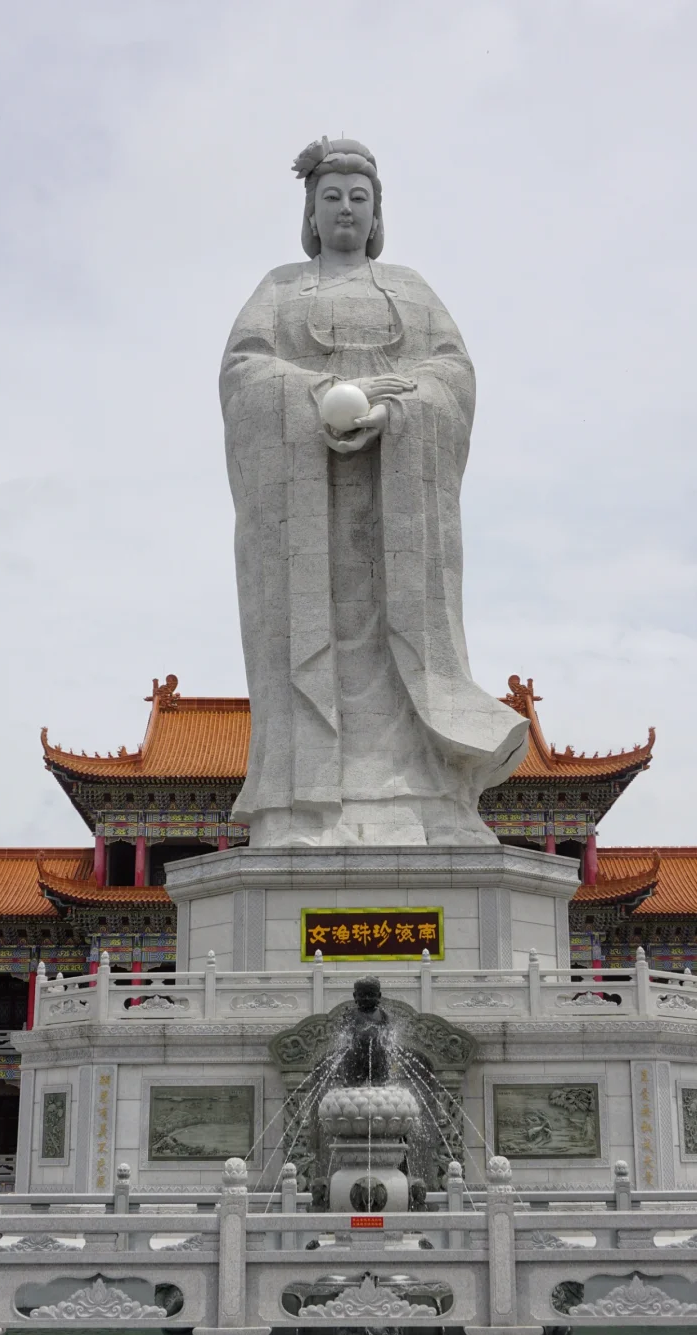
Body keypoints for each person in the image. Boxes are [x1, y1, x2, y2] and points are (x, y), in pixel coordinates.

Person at [220, 136, 528, 848]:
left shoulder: (413, 290)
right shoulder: (279, 289)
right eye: (332, 198)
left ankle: (426, 798)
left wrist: (399, 410)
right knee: (307, 631)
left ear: (377, 211)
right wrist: (320, 396)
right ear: (312, 210)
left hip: (397, 503)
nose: (346, 211)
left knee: (404, 631)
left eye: (360, 199)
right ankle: (305, 806)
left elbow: (453, 373)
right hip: (305, 508)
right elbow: (245, 372)